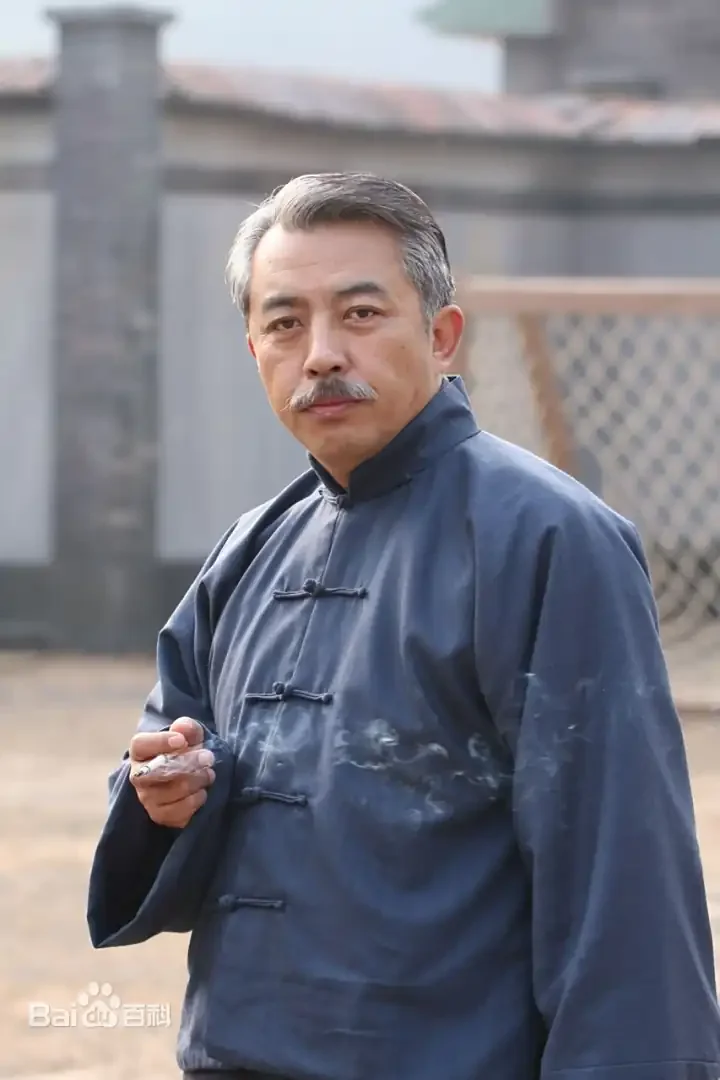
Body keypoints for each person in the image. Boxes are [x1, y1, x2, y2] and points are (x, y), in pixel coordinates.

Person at [87, 172, 720, 1080]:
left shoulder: (547, 539)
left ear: (442, 334)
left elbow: (623, 881)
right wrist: (166, 794)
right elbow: (164, 754)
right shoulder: (250, 549)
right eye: (284, 323)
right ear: (254, 350)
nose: (320, 355)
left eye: (360, 314)